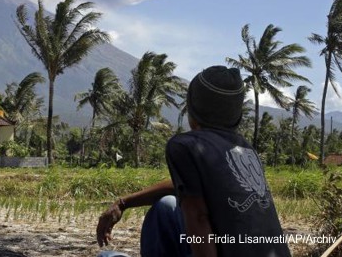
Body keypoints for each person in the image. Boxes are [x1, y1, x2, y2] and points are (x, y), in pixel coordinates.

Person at [96, 66, 291, 257]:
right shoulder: (245, 149)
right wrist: (123, 203)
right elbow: (178, 187)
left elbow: (198, 218)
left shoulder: (184, 145)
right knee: (167, 206)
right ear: (238, 115)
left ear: (192, 108)